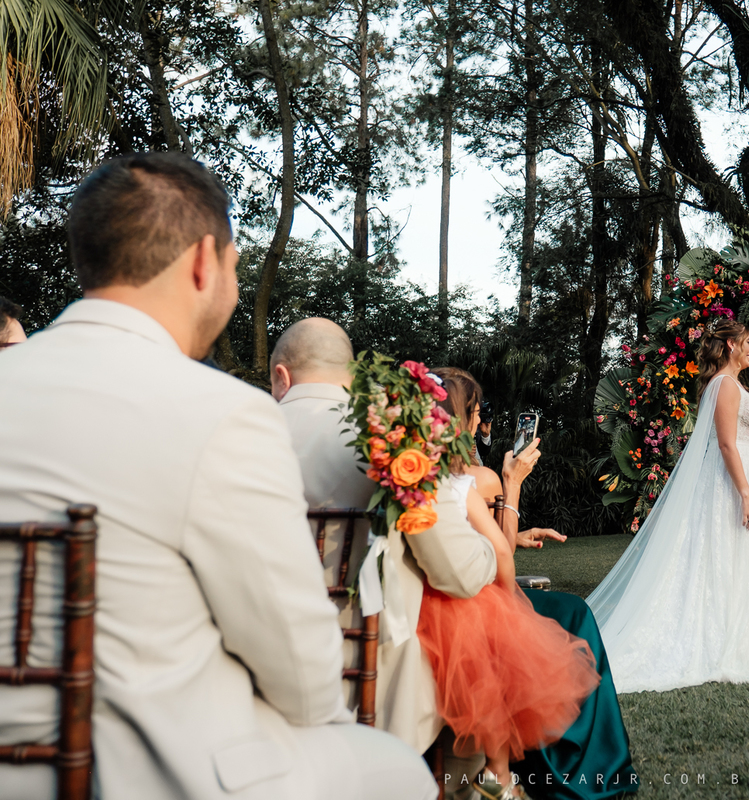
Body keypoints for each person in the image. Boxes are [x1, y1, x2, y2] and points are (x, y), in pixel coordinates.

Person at [0, 152, 436, 800]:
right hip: (144, 775)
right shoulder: (222, 413)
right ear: (206, 261)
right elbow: (306, 679)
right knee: (397, 770)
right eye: (235, 261)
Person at [271, 319, 495, 800]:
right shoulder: (393, 436)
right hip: (378, 687)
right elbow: (460, 573)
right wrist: (488, 551)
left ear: (280, 378)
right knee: (475, 656)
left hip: (262, 679)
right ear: (351, 377)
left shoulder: (240, 436)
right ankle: (469, 786)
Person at [586, 319, 749, 693]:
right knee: (721, 554)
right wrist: (746, 495)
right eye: (748, 342)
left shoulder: (736, 385)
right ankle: (713, 641)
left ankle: (733, 639)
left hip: (744, 476)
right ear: (731, 346)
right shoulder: (723, 385)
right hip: (729, 485)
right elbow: (726, 444)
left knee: (736, 557)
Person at [433, 367, 639, 800]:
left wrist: (519, 534)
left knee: (568, 611)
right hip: (483, 598)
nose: (482, 421)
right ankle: (578, 765)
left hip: (446, 594)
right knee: (573, 614)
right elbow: (500, 557)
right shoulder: (480, 479)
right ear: (462, 419)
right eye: (477, 413)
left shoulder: (418, 473)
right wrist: (513, 484)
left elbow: (465, 536)